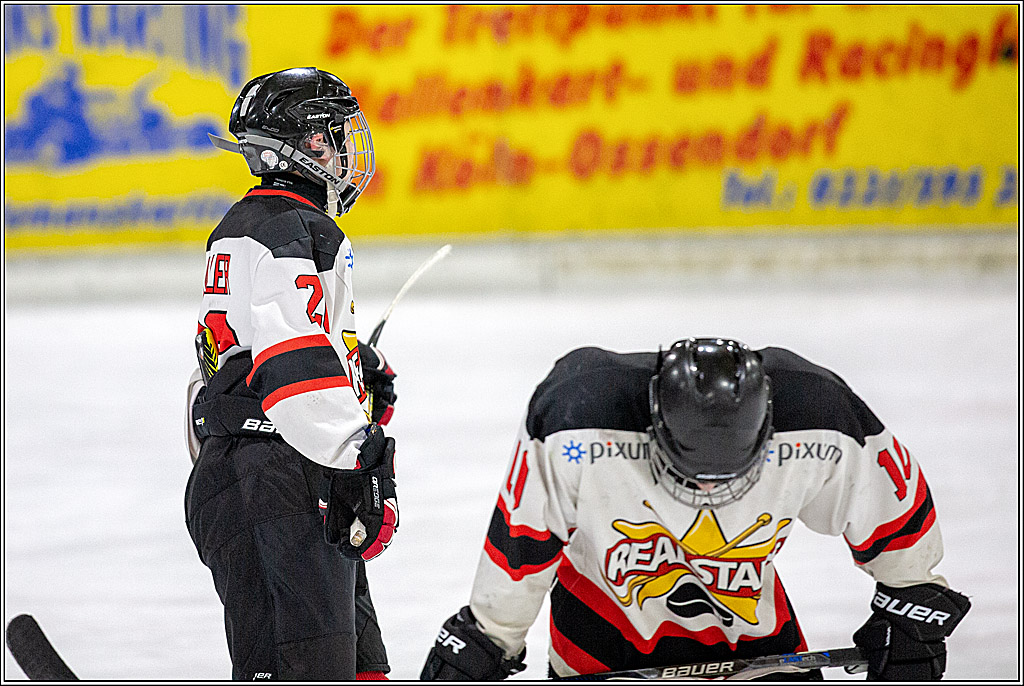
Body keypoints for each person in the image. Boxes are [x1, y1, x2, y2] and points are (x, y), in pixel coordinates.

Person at [421, 338, 970, 681]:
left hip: (754, 645)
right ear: (654, 423)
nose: (709, 493)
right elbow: (525, 538)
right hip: (600, 643)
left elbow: (896, 514)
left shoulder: (818, 416)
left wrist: (911, 607)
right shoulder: (578, 421)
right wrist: (487, 637)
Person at [183, 67, 399, 681]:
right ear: (302, 148)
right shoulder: (296, 230)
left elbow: (234, 365)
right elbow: (292, 364)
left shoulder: (245, 225)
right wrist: (356, 461)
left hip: (263, 476)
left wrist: (357, 373)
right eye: (332, 138)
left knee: (360, 664)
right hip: (280, 488)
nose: (343, 151)